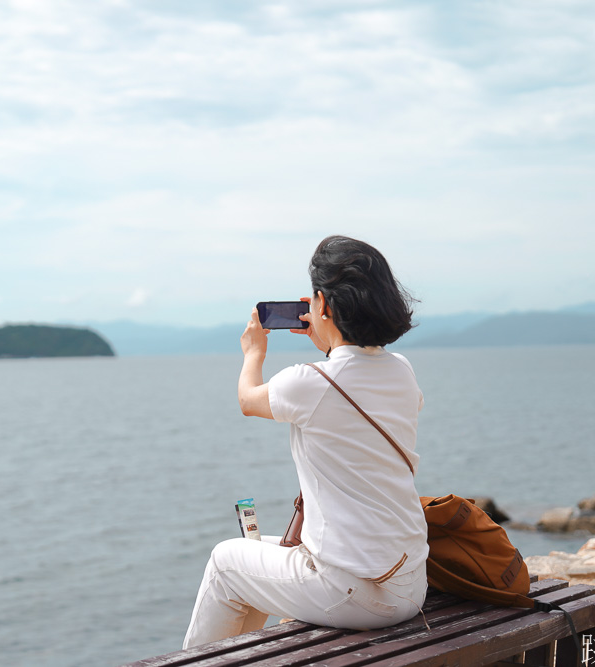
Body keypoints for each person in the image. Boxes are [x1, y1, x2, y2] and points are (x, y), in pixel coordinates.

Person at [182, 235, 430, 649]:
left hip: (355, 594)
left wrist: (252, 353)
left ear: (323, 305)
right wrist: (331, 340)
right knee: (257, 548)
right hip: (408, 586)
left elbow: (248, 401)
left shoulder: (309, 383)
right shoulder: (401, 371)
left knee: (226, 563)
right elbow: (356, 383)